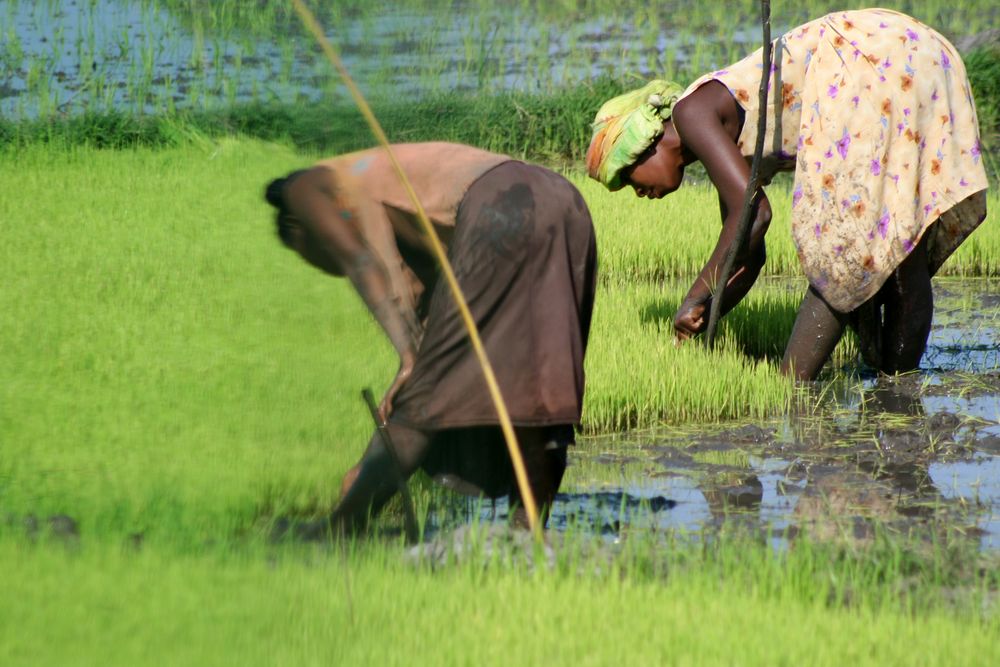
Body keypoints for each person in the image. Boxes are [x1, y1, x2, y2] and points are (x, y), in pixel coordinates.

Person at [586, 8, 988, 380]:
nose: (639, 192)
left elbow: (755, 214)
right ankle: (898, 385)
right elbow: (749, 249)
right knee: (900, 246)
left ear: (648, 144)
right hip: (913, 50)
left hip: (865, 63)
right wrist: (705, 316)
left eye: (629, 178)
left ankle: (792, 390)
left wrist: (692, 297)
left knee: (839, 250)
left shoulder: (690, 113)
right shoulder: (711, 125)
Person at [264, 142, 598, 534]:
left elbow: (360, 261)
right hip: (563, 201)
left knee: (427, 391)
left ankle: (342, 527)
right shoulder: (392, 205)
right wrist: (417, 356)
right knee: (541, 387)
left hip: (499, 203)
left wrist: (409, 359)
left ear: (297, 231)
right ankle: (527, 529)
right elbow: (425, 309)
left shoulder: (300, 190)